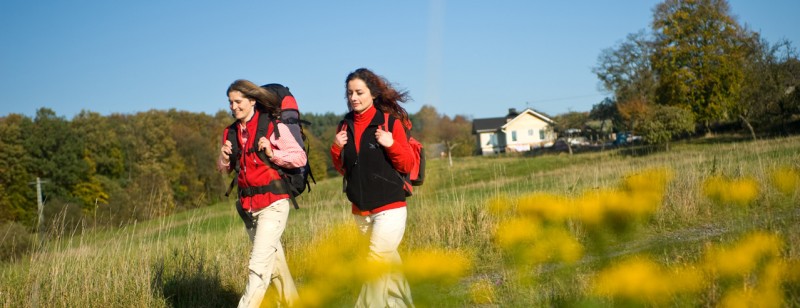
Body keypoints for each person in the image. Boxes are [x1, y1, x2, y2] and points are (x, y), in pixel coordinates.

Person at [330, 68, 416, 307]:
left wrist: (391, 144)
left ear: (373, 94)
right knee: (391, 269)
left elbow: (407, 163)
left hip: (390, 206)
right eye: (350, 93)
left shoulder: (388, 121)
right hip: (361, 211)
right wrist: (337, 149)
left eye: (359, 92)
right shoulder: (344, 125)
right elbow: (344, 169)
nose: (353, 98)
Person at [218, 79, 305, 308]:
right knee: (275, 266)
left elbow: (299, 157)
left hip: (273, 204)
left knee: (258, 267)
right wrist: (225, 158)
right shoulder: (230, 132)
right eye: (230, 102)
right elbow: (225, 169)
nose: (233, 106)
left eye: (238, 101)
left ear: (252, 100)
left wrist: (272, 152)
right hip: (248, 208)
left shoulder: (273, 126)